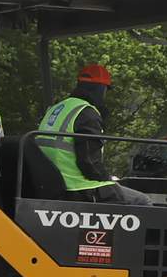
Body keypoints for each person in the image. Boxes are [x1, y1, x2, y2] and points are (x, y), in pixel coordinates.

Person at [30, 64, 151, 204]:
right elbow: (89, 163)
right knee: (142, 201)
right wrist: (107, 179)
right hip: (79, 187)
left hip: (53, 183)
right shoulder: (87, 113)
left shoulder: (57, 108)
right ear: (100, 88)